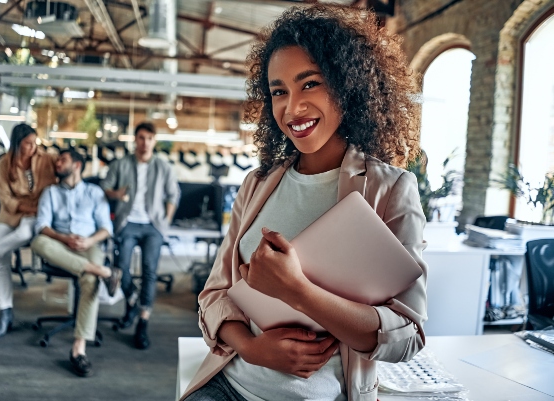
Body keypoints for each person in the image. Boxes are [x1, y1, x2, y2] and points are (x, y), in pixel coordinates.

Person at [182, 5, 427, 401]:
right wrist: (251, 348)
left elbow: (407, 336)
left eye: (309, 84)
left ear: (347, 86)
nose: (291, 108)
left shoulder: (390, 190)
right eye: (279, 91)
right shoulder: (257, 185)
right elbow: (213, 296)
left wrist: (297, 291)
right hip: (229, 386)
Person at [31, 149, 122, 377]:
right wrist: (64, 239)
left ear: (77, 165)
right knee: (38, 242)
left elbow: (106, 229)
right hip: (60, 243)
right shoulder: (50, 192)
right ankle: (103, 271)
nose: (58, 164)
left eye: (63, 160)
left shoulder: (94, 192)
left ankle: (78, 350)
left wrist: (89, 240)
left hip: (89, 244)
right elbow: (41, 226)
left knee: (89, 282)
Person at [0, 123, 57, 338]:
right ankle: (5, 312)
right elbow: (6, 200)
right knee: (2, 261)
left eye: (34, 142)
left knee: (25, 234)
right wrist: (26, 206)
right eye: (28, 144)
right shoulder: (4, 164)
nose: (33, 147)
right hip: (11, 213)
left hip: (36, 215)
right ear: (18, 143)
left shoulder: (46, 159)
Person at [101, 121, 180, 349]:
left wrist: (164, 222)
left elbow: (173, 195)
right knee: (121, 267)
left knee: (149, 270)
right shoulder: (121, 164)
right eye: (141, 138)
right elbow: (105, 187)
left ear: (154, 141)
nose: (145, 143)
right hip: (128, 223)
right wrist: (117, 193)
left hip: (152, 225)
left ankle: (142, 322)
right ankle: (133, 301)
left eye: (149, 139)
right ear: (135, 140)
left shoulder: (163, 167)